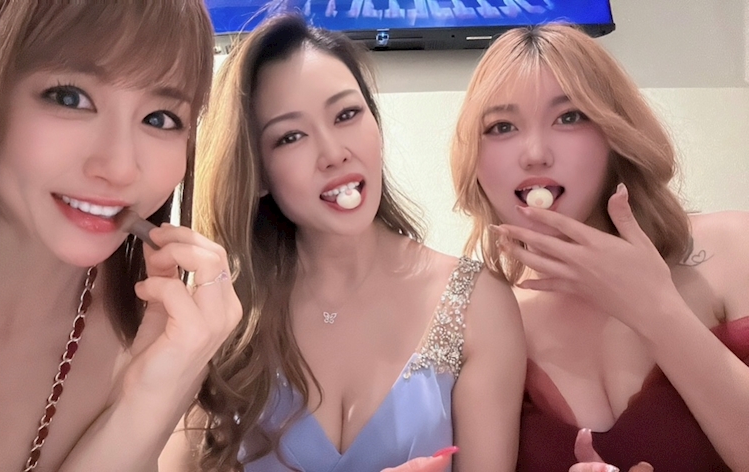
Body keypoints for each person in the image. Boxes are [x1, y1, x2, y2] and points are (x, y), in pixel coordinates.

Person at [159, 14, 526, 472]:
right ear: (258, 172)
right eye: (291, 136)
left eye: (347, 114)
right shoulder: (223, 311)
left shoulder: (477, 303)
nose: (334, 153)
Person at [0, 1, 241, 471]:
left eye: (160, 119)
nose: (120, 168)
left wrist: (145, 405)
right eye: (69, 97)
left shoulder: (150, 338)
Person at [450, 24, 749, 472]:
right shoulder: (486, 322)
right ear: (474, 162)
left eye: (569, 117)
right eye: (502, 126)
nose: (534, 153)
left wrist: (656, 311)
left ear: (615, 134)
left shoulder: (734, 246)